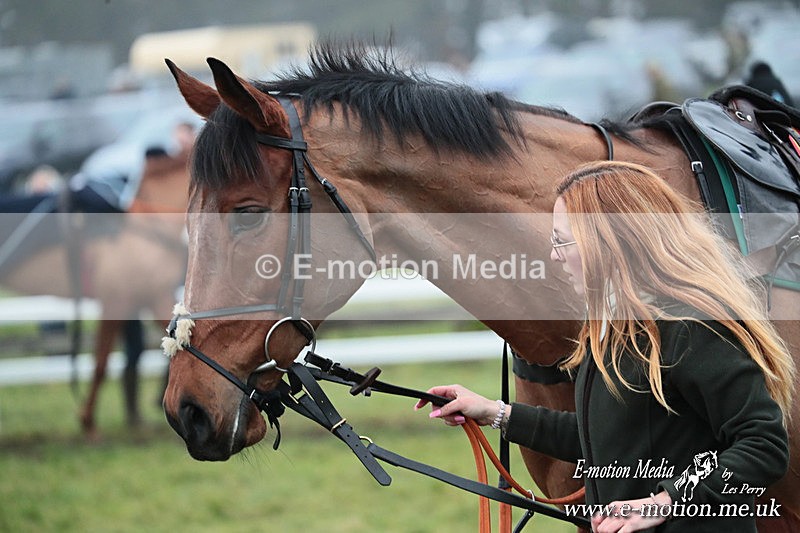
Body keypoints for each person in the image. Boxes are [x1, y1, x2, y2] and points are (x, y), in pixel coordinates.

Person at [416, 161, 793, 532]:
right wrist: (494, 413)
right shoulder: (616, 328)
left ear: (611, 241)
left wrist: (665, 502)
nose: (554, 255)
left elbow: (763, 447)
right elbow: (603, 436)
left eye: (563, 240)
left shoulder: (693, 328)